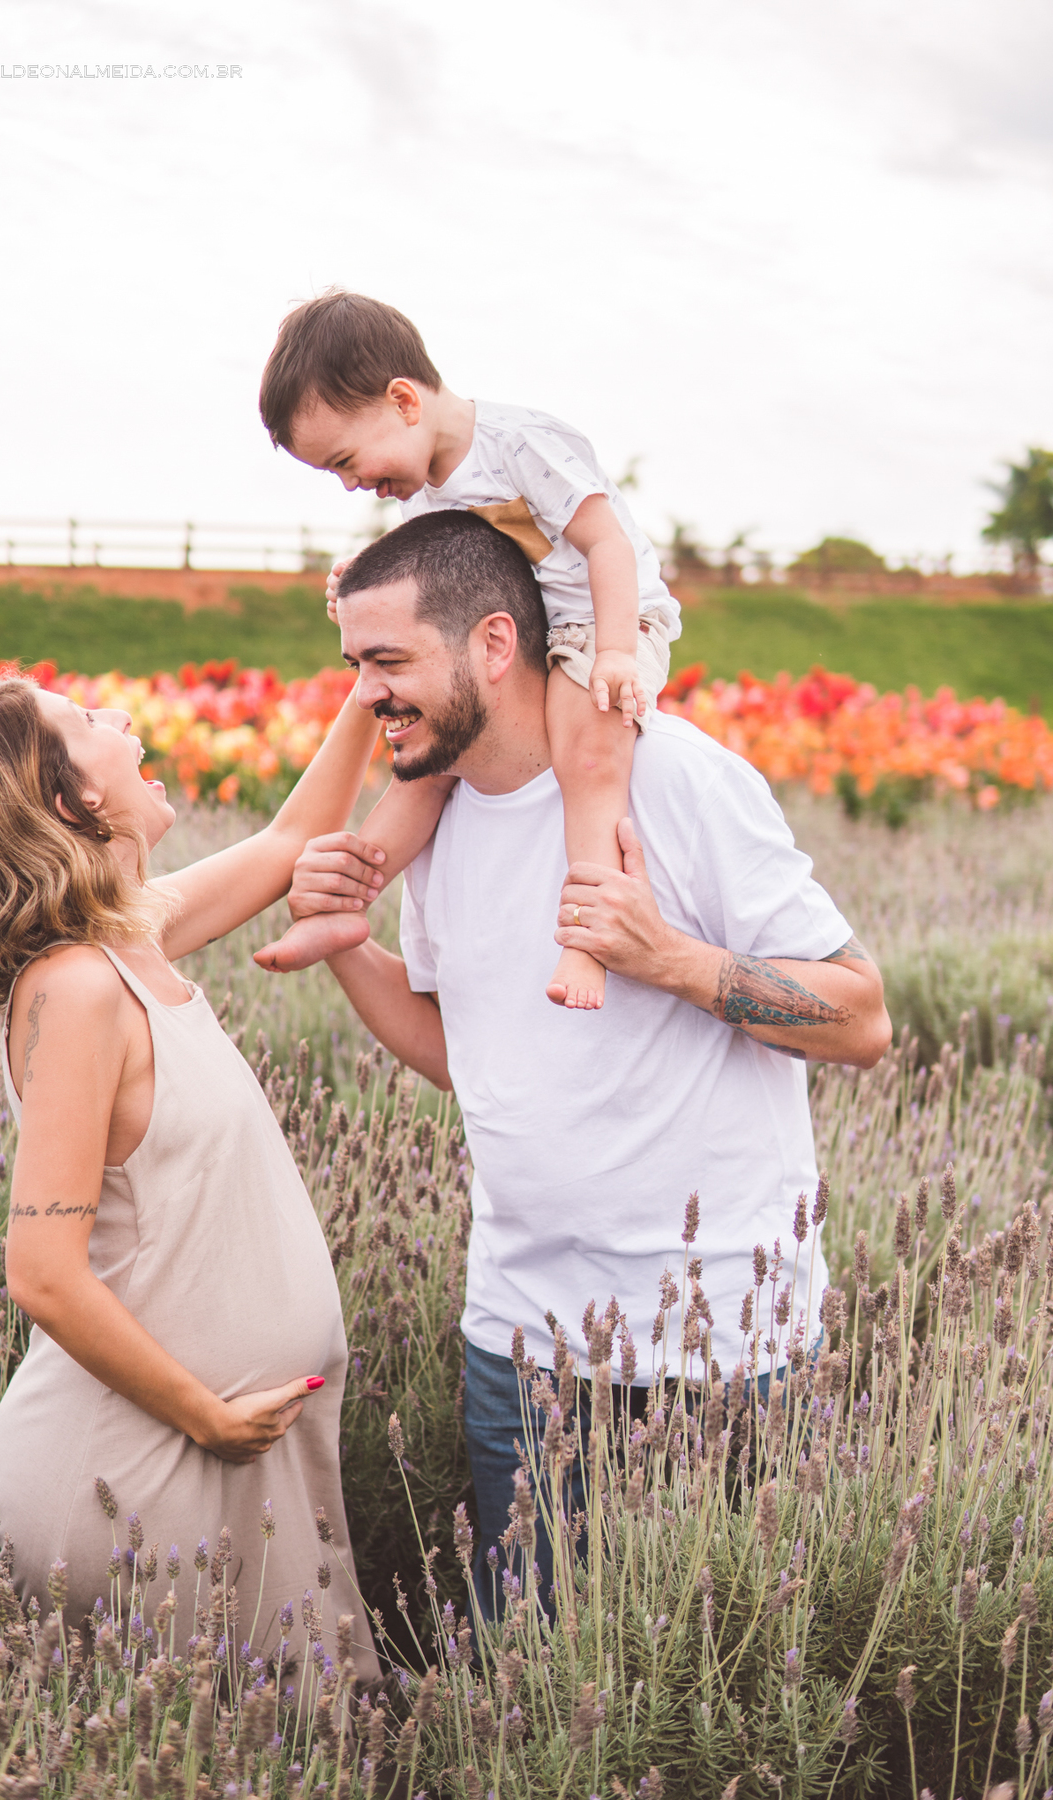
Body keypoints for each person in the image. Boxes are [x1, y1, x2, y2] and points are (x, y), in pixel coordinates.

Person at [276, 510, 892, 1618]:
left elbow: (862, 1018)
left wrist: (672, 961)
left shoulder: (679, 779)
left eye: (388, 663)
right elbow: (474, 1059)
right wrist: (346, 951)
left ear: (496, 645)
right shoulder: (435, 819)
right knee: (536, 1669)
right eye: (353, 665)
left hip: (725, 1348)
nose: (364, 697)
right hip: (522, 1347)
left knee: (734, 1680)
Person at [0, 674, 382, 1682]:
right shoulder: (77, 990)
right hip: (147, 1468)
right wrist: (204, 1413)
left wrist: (376, 689)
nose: (122, 724)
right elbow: (40, 1272)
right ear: (73, 803)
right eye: (88, 724)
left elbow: (293, 839)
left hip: (220, 1461)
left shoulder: (126, 940)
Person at [254, 289, 682, 1011]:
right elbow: (429, 575)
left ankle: (588, 939)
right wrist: (353, 584)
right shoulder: (420, 490)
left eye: (346, 460)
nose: (353, 482)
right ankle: (342, 909)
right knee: (430, 767)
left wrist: (613, 653)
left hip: (603, 622)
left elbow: (607, 544)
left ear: (404, 401)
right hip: (517, 639)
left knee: (590, 758)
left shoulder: (524, 445)